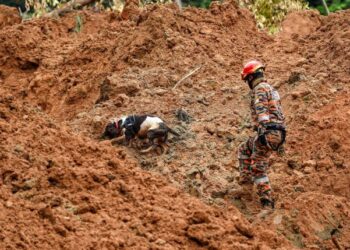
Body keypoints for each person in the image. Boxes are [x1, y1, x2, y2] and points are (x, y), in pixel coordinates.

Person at [237, 60, 286, 208]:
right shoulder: (271, 89)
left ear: (251, 77)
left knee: (258, 167)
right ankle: (246, 188)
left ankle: (267, 201)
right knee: (244, 149)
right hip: (277, 132)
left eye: (247, 80)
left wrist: (264, 128)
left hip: (268, 132)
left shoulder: (259, 89)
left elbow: (261, 110)